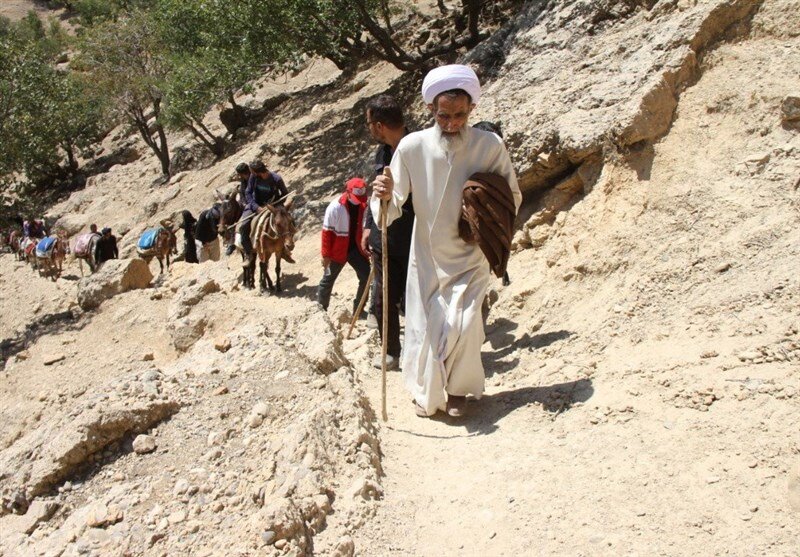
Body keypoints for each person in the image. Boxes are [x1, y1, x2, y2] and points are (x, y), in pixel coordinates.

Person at [371, 64, 521, 419]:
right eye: (443, 116)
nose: (452, 123)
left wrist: (485, 214)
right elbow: (392, 205)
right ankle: (431, 392)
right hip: (426, 257)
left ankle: (458, 391)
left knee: (466, 324)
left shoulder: (490, 146)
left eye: (459, 115)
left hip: (471, 254)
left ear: (471, 110)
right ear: (430, 111)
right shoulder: (411, 147)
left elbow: (511, 195)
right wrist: (384, 195)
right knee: (432, 326)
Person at [361, 94, 414, 371]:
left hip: (416, 237)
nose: (368, 128)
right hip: (385, 238)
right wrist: (368, 227)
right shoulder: (381, 152)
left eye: (369, 123)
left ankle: (422, 351)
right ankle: (391, 351)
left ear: (379, 125)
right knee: (383, 296)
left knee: (417, 296)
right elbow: (376, 193)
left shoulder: (418, 146)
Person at [317, 178, 371, 315]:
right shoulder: (335, 207)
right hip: (337, 250)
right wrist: (325, 255)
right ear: (347, 192)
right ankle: (321, 311)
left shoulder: (364, 206)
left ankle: (359, 310)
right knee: (327, 280)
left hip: (355, 249)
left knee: (366, 276)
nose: (358, 200)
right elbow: (326, 233)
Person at [238, 160, 292, 261]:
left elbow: (284, 193)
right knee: (243, 226)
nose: (251, 173)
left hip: (273, 205)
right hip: (256, 205)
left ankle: (285, 248)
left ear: (256, 171)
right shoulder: (253, 177)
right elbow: (248, 193)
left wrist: (276, 205)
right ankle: (248, 253)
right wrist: (256, 207)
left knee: (287, 220)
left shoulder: (276, 179)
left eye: (252, 171)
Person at [227, 162, 251, 255]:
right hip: (247, 204)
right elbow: (242, 194)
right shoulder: (243, 181)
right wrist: (244, 203)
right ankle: (231, 243)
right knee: (232, 217)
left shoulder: (255, 177)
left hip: (257, 203)